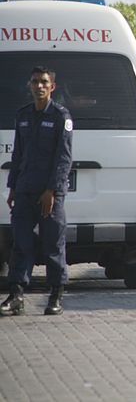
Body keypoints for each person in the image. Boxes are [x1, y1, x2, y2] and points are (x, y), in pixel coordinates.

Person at [1, 66, 73, 316]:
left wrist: (52, 190)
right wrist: (12, 187)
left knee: (53, 244)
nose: (39, 86)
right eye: (35, 82)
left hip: (49, 194)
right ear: (29, 85)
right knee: (20, 243)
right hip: (24, 190)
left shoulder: (61, 117)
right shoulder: (22, 115)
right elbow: (17, 154)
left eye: (44, 82)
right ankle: (17, 294)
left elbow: (63, 159)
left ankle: (56, 295)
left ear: (52, 86)